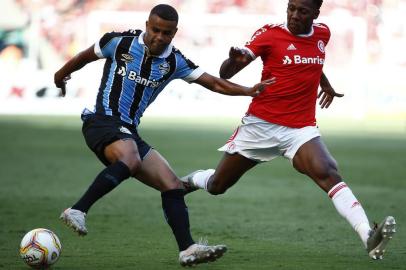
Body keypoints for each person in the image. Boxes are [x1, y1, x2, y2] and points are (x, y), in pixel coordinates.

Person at [54, 4, 274, 267]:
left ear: (174, 33)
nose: (159, 36)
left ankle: (188, 249)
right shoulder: (118, 42)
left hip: (128, 132)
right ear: (147, 24)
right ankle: (77, 210)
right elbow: (84, 56)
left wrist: (249, 90)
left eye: (166, 33)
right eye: (155, 29)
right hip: (101, 121)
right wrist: (60, 74)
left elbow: (214, 82)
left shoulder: (174, 61)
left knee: (173, 185)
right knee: (131, 156)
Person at [181, 0, 396, 260]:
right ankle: (193, 180)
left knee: (328, 171)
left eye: (302, 11)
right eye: (291, 8)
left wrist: (324, 84)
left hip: (300, 128)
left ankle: (368, 237)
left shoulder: (322, 34)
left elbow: (312, 62)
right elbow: (226, 73)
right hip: (260, 126)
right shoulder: (269, 34)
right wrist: (232, 61)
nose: (294, 15)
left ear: (315, 14)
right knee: (217, 186)